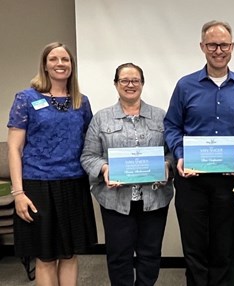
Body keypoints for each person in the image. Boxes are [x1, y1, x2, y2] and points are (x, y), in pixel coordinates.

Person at [163, 20, 234, 286]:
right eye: (212, 44)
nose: (218, 50)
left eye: (224, 44)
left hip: (228, 180)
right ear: (202, 46)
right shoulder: (185, 86)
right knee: (194, 249)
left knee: (222, 248)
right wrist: (180, 155)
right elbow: (172, 125)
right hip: (191, 180)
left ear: (232, 47)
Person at [7, 42, 97, 285]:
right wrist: (18, 193)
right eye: (54, 59)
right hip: (37, 186)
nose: (60, 64)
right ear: (45, 65)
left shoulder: (82, 102)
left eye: (65, 60)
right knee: (45, 257)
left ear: (71, 65)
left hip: (73, 185)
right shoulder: (26, 98)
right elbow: (14, 149)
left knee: (69, 254)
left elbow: (89, 143)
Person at [80, 63, 173, 286]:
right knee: (119, 256)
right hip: (115, 201)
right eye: (124, 80)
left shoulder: (161, 117)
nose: (130, 85)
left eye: (135, 81)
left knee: (150, 254)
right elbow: (88, 156)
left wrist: (167, 166)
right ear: (116, 84)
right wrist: (104, 169)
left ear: (142, 84)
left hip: (154, 199)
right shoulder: (101, 119)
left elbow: (172, 152)